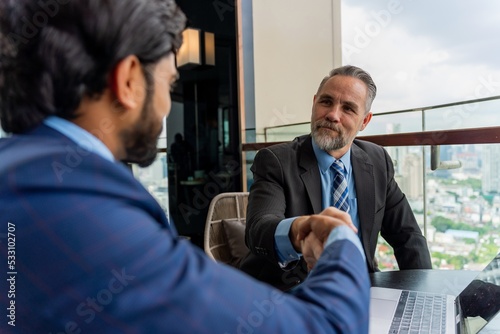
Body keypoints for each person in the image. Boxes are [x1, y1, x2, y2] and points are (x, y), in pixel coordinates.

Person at [0, 1, 370, 332]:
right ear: (129, 80)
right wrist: (341, 239)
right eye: (169, 85)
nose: (165, 108)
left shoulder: (23, 168)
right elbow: (326, 326)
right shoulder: (85, 210)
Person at [240, 65, 432, 290]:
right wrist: (303, 230)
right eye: (326, 102)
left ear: (364, 121)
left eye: (348, 108)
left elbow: (408, 237)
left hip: (360, 289)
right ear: (314, 103)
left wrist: (426, 295)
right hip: (289, 293)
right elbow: (258, 231)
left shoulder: (378, 160)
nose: (333, 115)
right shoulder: (275, 161)